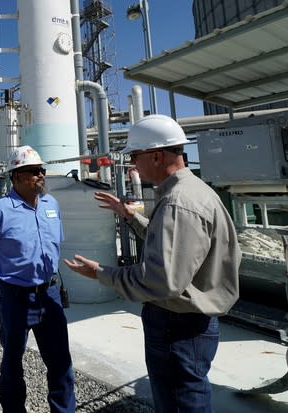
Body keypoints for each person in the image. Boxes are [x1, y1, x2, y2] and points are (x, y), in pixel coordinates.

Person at [64, 114, 240, 413]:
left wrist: (101, 273)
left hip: (178, 326)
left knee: (180, 404)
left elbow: (161, 279)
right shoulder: (190, 193)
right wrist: (131, 216)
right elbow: (174, 249)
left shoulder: (178, 203)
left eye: (135, 155)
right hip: (188, 324)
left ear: (157, 156)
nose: (132, 164)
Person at [0, 145, 75, 413]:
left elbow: (54, 244)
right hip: (15, 298)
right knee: (12, 363)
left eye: (42, 170)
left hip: (49, 294)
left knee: (61, 363)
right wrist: (8, 276)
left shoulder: (51, 205)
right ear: (16, 177)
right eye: (34, 172)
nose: (41, 175)